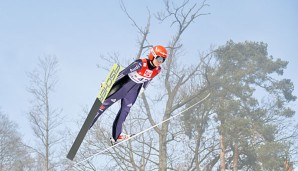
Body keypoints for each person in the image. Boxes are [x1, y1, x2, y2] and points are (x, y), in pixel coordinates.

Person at [90, 45, 168, 144]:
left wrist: (143, 89)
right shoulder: (141, 63)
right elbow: (124, 72)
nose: (160, 62)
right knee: (105, 104)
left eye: (163, 60)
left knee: (125, 111)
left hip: (134, 90)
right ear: (153, 55)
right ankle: (89, 122)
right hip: (124, 85)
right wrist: (108, 83)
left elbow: (149, 79)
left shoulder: (157, 70)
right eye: (159, 58)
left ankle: (117, 135)